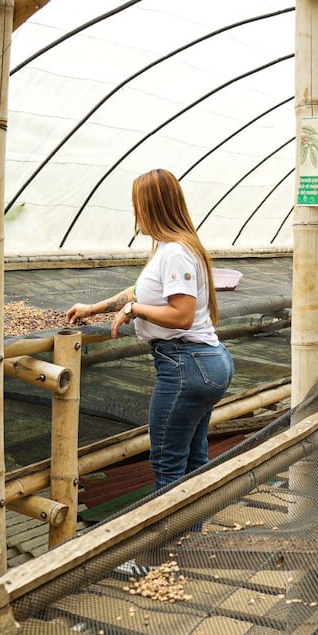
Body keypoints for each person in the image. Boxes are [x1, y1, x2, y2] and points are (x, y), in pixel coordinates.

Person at [66, 168, 234, 498]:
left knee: (167, 464)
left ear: (151, 207)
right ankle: (189, 540)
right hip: (206, 362)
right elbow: (138, 292)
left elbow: (182, 315)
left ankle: (167, 545)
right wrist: (94, 309)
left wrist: (134, 311)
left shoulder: (174, 252)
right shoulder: (174, 248)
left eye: (137, 205)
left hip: (187, 365)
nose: (134, 213)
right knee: (194, 460)